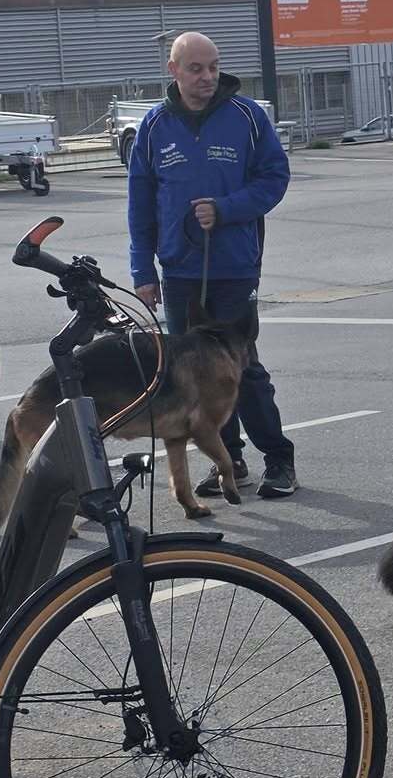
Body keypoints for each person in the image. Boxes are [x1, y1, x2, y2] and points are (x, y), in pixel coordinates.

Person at [127, 31, 298, 500]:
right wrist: (143, 270)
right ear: (174, 71)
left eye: (214, 67)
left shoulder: (247, 116)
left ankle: (279, 459)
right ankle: (229, 460)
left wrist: (227, 209)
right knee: (192, 373)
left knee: (243, 367)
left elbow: (274, 177)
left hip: (235, 267)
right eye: (196, 68)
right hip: (179, 271)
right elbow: (140, 203)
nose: (208, 77)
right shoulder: (154, 125)